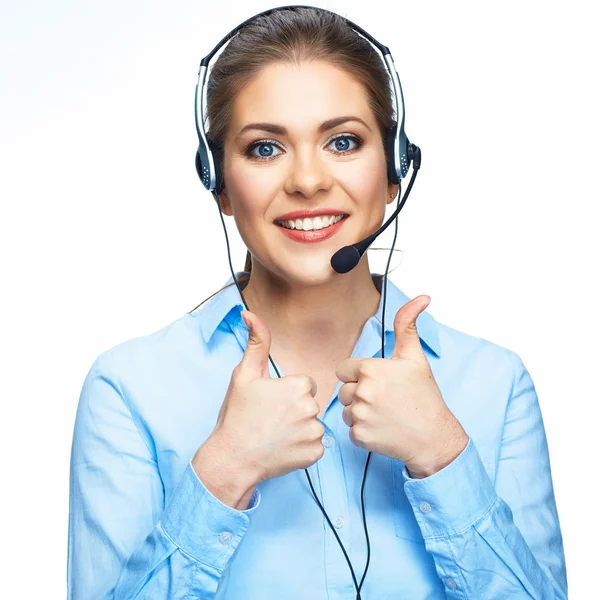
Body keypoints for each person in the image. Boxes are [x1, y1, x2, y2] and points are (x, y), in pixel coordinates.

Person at [67, 6, 568, 599]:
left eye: (344, 141)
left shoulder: (495, 383)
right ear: (218, 184)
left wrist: (442, 455)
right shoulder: (128, 389)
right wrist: (224, 471)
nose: (308, 180)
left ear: (395, 172)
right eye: (264, 149)